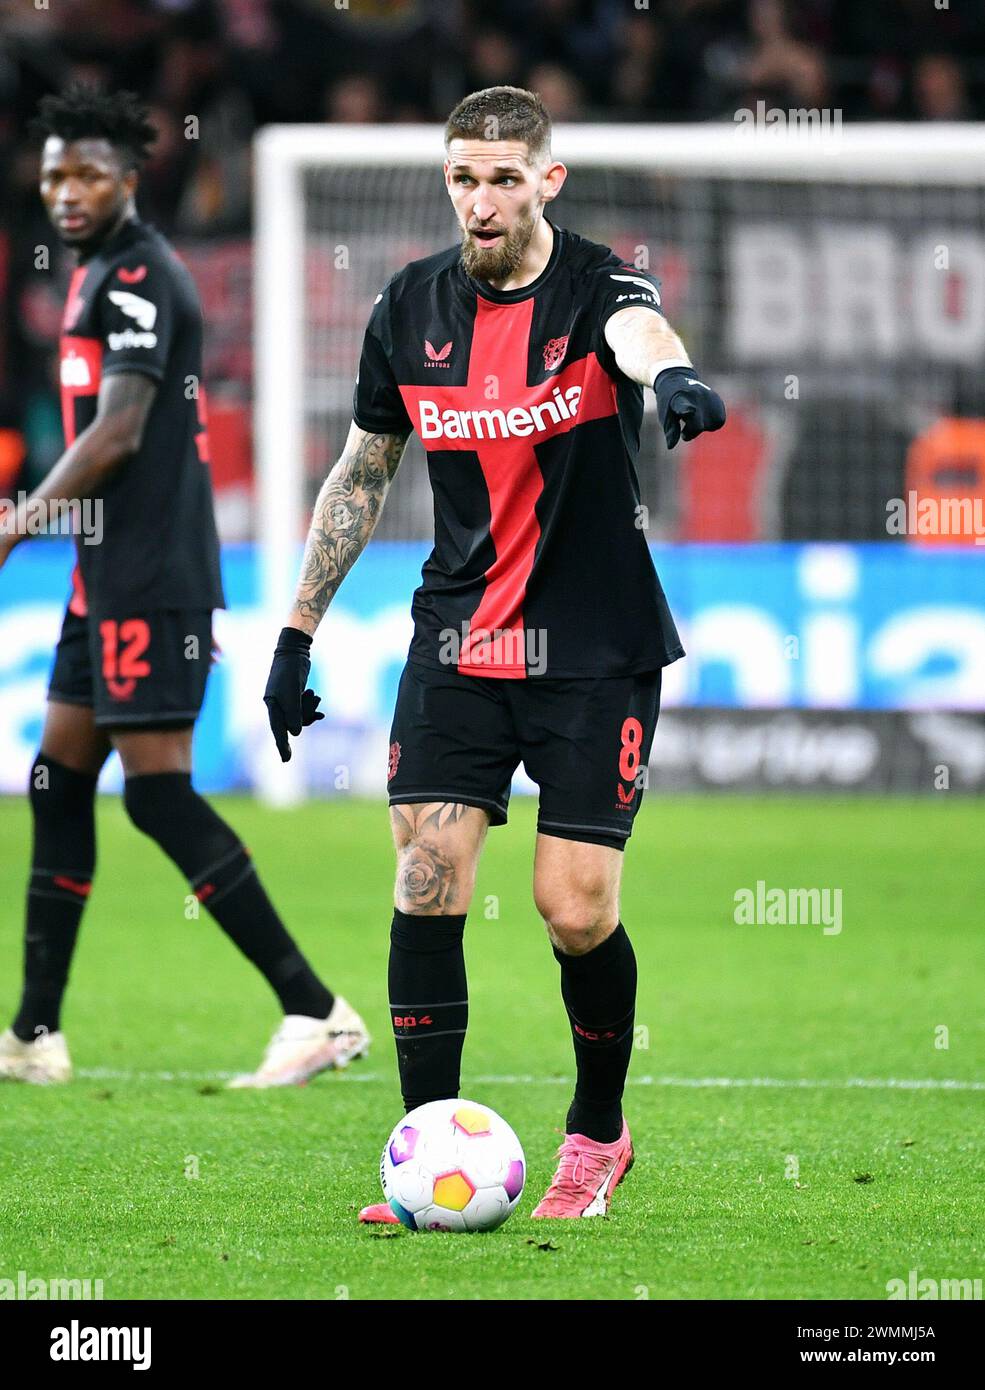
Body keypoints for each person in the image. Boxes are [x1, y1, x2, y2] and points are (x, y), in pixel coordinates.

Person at [263, 85, 725, 1217]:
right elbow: (364, 472)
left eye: (504, 178)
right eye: (463, 177)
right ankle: (421, 1149)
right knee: (425, 885)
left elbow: (639, 331)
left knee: (574, 910)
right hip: (459, 640)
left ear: (545, 183)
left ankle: (596, 1133)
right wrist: (295, 629)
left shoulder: (597, 285)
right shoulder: (407, 306)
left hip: (593, 648)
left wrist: (669, 376)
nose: (481, 199)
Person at [0, 86, 368, 1088]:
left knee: (158, 799)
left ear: (130, 177)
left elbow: (118, 432)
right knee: (58, 781)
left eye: (86, 174)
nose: (64, 192)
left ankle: (314, 1009)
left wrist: (17, 522)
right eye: (52, 175)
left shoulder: (135, 280)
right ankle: (34, 1033)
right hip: (104, 574)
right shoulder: (96, 276)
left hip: (151, 575)